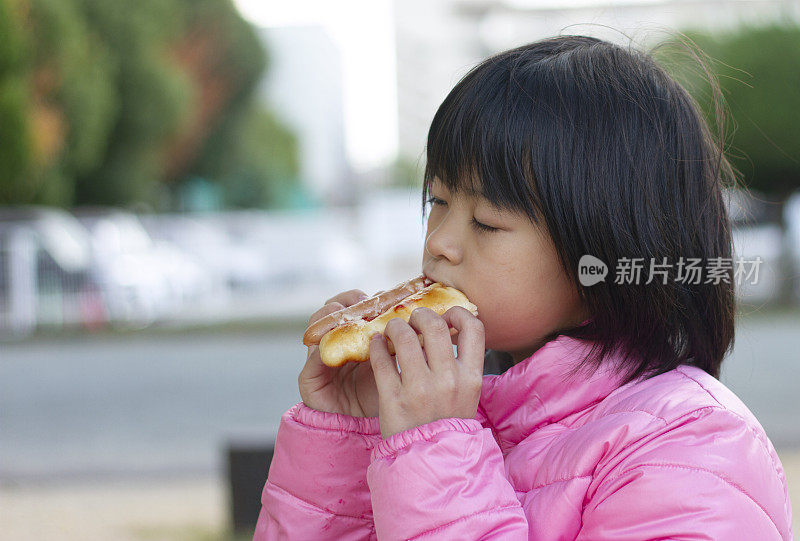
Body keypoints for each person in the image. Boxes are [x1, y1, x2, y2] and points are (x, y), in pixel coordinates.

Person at [253, 35, 793, 540]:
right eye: (436, 203)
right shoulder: (465, 413)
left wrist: (435, 450)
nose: (440, 242)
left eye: (486, 221)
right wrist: (353, 433)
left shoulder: (690, 453)